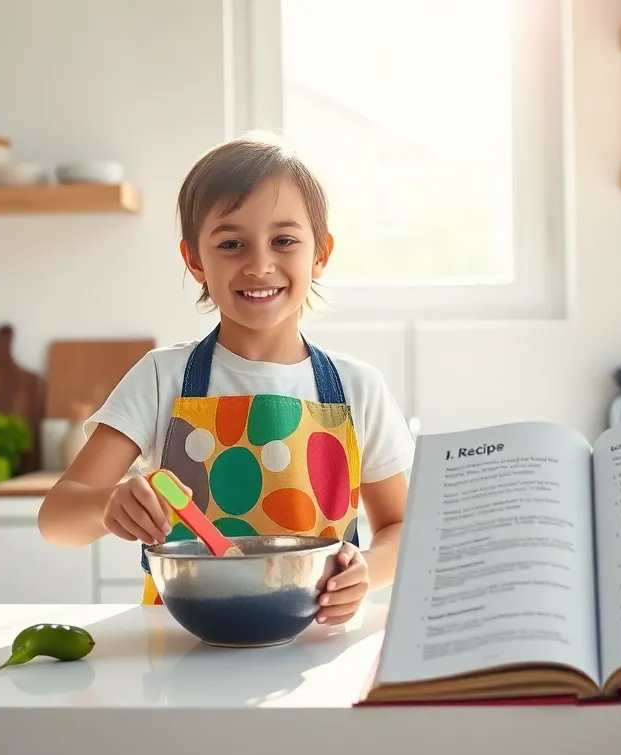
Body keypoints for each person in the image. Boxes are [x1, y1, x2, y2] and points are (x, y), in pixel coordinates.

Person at [38, 131, 414, 625]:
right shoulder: (160, 378)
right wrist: (109, 503)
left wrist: (367, 570)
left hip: (311, 646)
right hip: (179, 646)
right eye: (231, 244)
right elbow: (57, 519)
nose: (260, 265)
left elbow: (400, 528)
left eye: (284, 241)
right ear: (195, 260)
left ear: (320, 253)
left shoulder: (357, 388)